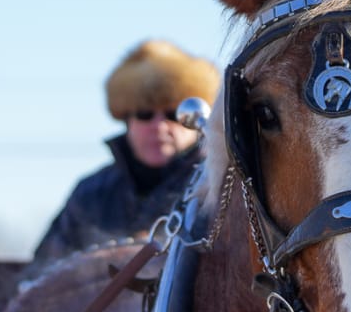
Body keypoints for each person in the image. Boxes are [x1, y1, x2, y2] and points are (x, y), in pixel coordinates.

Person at [30, 39, 220, 268]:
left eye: (172, 114)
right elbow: (43, 274)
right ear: (127, 120)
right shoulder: (92, 194)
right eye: (144, 114)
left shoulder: (217, 185)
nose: (159, 126)